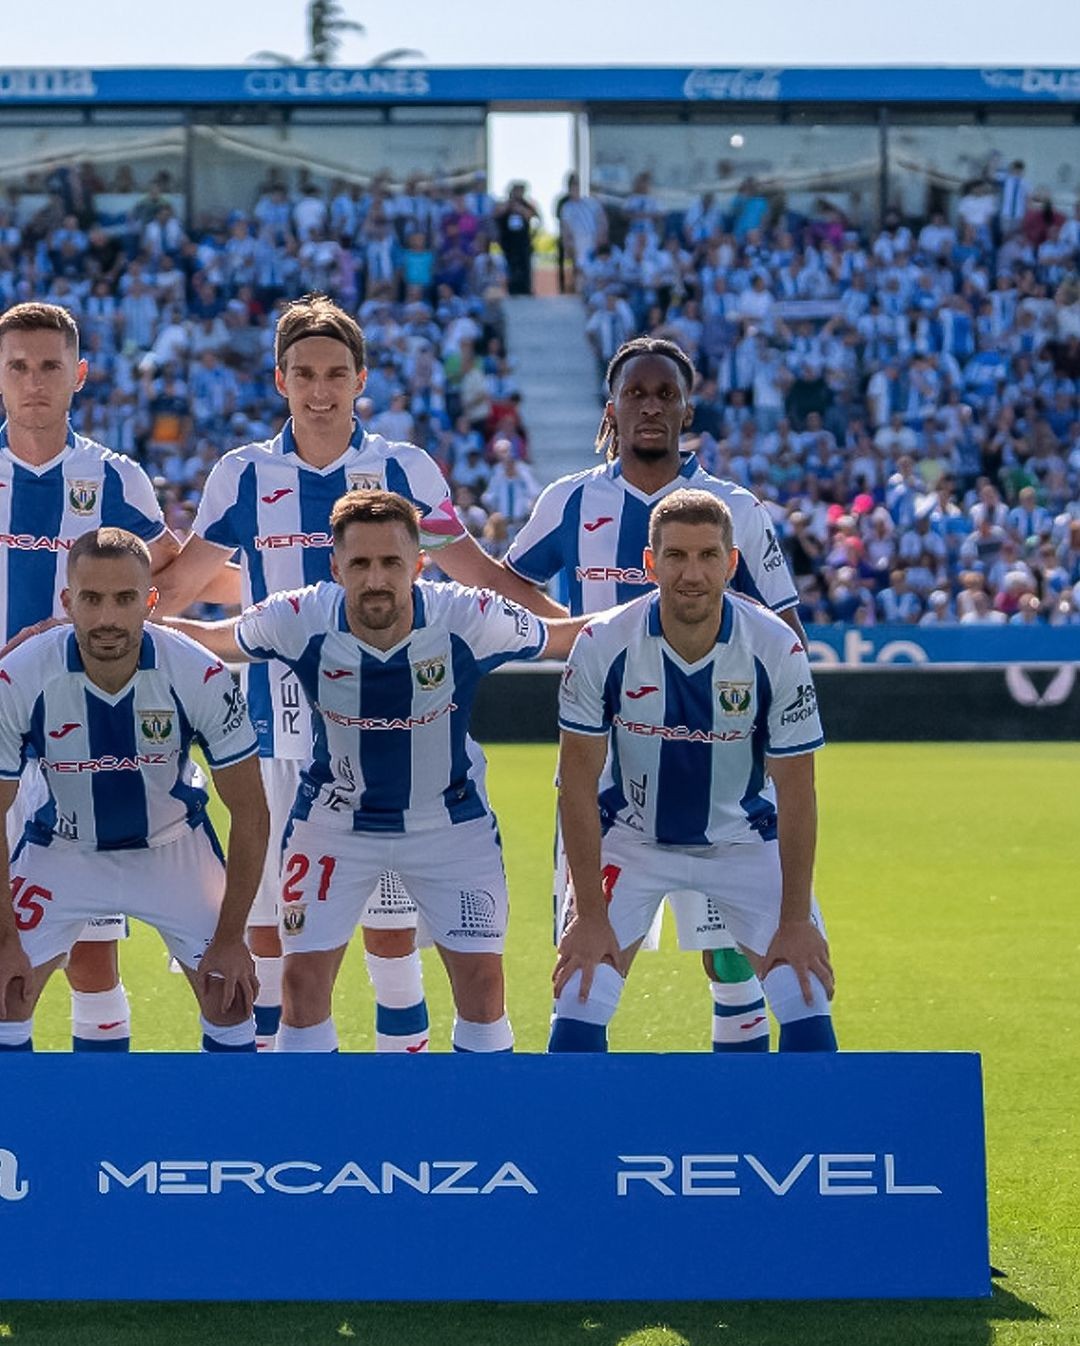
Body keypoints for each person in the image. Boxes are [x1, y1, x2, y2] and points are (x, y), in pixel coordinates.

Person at [153, 294, 567, 1051]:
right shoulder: (242, 474)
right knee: (273, 942)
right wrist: (89, 627)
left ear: (360, 378)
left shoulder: (404, 468)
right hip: (272, 740)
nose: (321, 391)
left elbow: (475, 572)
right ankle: (288, 1099)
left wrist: (576, 631)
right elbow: (180, 587)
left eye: (336, 374)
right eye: (305, 374)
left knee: (391, 941)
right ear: (280, 379)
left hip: (388, 741)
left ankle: (393, 1098)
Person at [168, 489, 585, 1053]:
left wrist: (656, 615)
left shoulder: (467, 615)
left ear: (418, 564)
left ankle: (479, 1109)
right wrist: (114, 624)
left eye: (391, 562)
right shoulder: (300, 616)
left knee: (484, 987)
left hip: (451, 825)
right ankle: (319, 1109)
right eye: (360, 563)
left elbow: (567, 636)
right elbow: (214, 639)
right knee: (301, 984)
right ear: (335, 568)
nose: (376, 578)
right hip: (333, 823)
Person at [499, 336, 805, 1052]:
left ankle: (732, 1103)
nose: (650, 407)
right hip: (605, 772)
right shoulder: (571, 499)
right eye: (635, 394)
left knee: (730, 961)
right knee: (590, 957)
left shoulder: (734, 508)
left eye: (666, 395)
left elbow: (786, 629)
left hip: (719, 769)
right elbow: (513, 582)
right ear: (611, 407)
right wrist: (577, 636)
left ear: (687, 409)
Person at [550, 489, 836, 1054]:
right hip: (631, 837)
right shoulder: (602, 642)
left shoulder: (776, 648)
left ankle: (773, 1115)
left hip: (743, 839)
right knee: (581, 995)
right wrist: (588, 913)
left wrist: (795, 920)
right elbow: (576, 784)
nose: (692, 573)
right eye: (676, 556)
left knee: (805, 993)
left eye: (708, 556)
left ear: (731, 563)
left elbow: (797, 791)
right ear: (650, 563)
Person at [0, 301, 197, 1053]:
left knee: (90, 955)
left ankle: (100, 1112)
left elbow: (166, 578)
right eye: (18, 366)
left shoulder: (116, 478)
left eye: (50, 366)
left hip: (80, 737)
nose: (34, 381)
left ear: (78, 374)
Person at [0, 528, 268, 1052]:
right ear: (67, 602)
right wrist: (7, 941)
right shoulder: (19, 677)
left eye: (125, 599)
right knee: (5, 993)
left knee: (229, 997)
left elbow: (251, 812)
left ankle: (229, 1108)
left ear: (149, 601)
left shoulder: (200, 673)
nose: (107, 617)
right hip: (64, 849)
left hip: (173, 848)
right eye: (92, 599)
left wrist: (231, 938)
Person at [495, 184, 540, 297]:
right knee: (511, 268)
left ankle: (526, 289)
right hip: (509, 243)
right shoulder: (505, 204)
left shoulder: (526, 204)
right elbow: (497, 214)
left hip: (523, 243)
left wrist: (520, 209)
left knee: (525, 266)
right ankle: (512, 289)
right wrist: (510, 206)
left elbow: (533, 216)